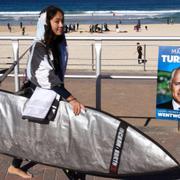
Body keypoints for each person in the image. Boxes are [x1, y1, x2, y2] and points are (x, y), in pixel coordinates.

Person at [8, 5, 85, 179]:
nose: (61, 25)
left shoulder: (57, 43)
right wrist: (71, 99)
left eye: (62, 21)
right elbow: (47, 78)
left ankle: (14, 166)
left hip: (52, 94)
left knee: (31, 136)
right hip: (39, 97)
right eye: (57, 21)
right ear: (46, 23)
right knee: (56, 137)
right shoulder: (39, 47)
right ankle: (74, 175)